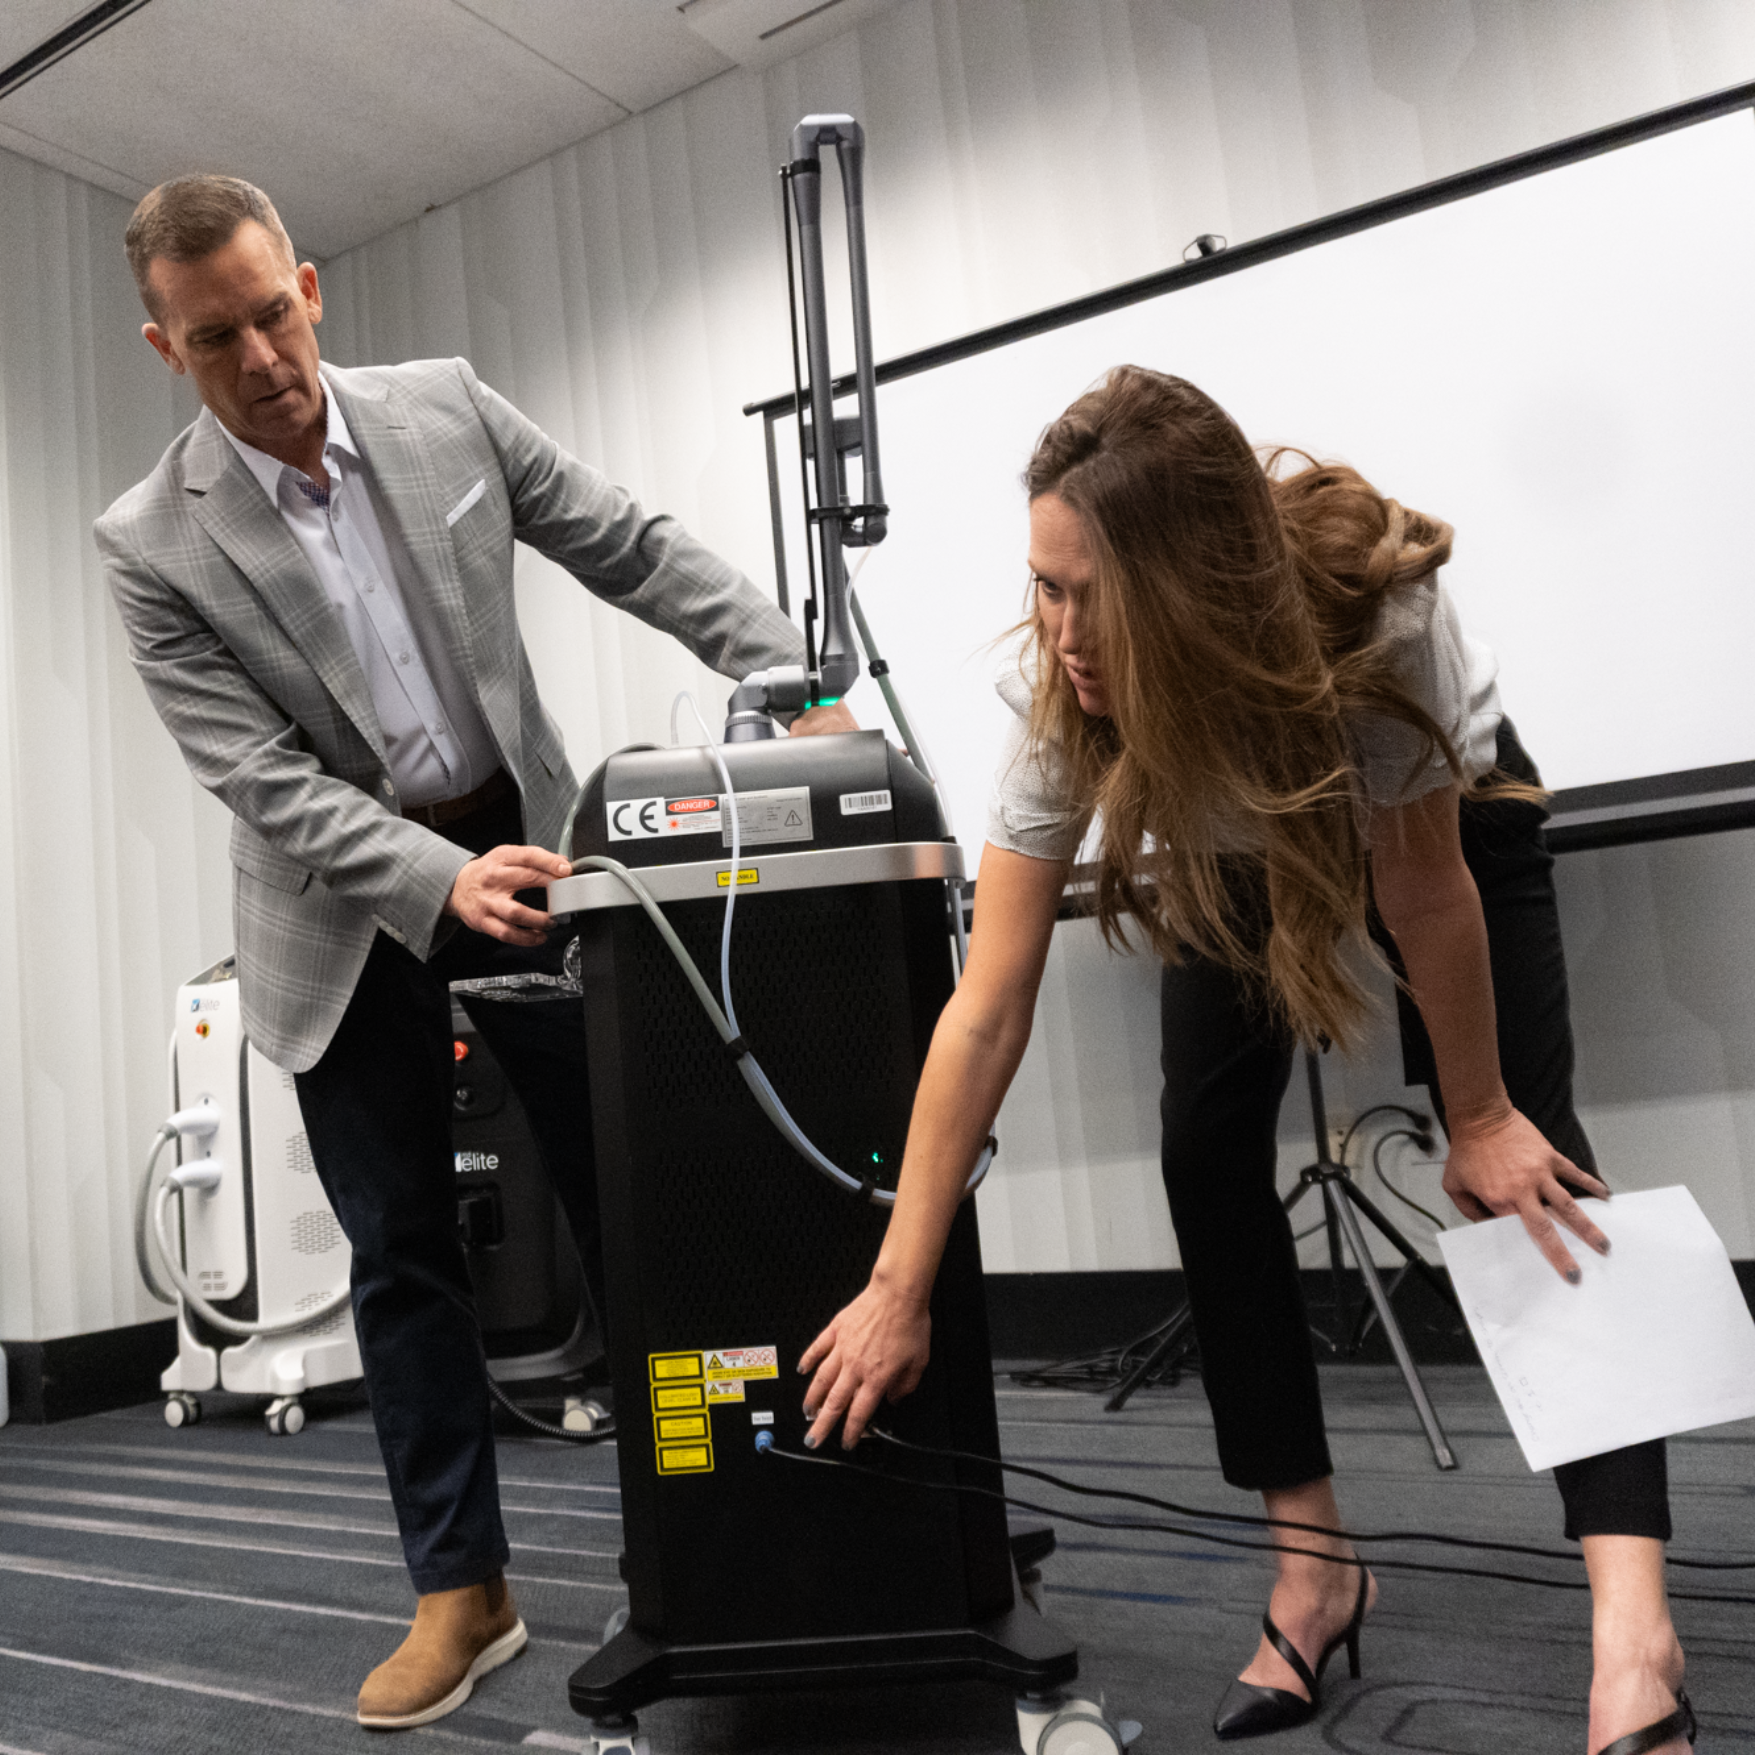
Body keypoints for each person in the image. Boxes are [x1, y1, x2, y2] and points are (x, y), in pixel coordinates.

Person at [798, 368, 1693, 1755]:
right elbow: (987, 1005)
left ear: (1197, 584)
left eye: (1095, 595)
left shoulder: (1373, 614)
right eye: (1044, 586)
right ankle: (1313, 1568)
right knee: (1202, 1147)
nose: (1065, 633)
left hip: (1438, 821)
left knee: (1531, 1162)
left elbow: (1422, 886)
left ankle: (1634, 1635)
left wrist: (1473, 1112)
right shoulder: (1064, 696)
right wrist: (896, 1281)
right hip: (1234, 831)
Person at [96, 175, 854, 1731]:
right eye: (216, 336)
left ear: (309, 284)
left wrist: (790, 672)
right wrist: (439, 879)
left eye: (274, 313)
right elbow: (262, 778)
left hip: (537, 852)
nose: (261, 356)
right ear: (167, 348)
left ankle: (697, 1537)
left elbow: (625, 542)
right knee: (401, 1258)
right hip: (338, 916)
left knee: (636, 1211)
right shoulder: (149, 543)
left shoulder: (443, 410)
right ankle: (466, 1591)